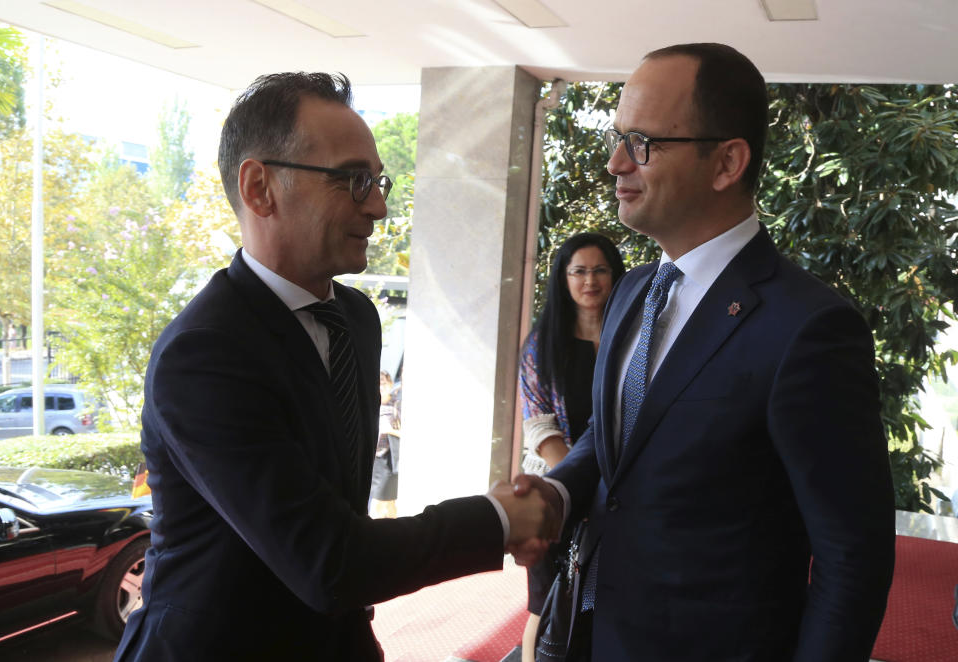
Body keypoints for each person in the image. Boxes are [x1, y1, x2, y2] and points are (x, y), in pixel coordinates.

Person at [114, 72, 558, 662]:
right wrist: (497, 520)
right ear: (260, 188)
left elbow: (342, 510)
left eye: (378, 181)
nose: (377, 205)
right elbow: (328, 559)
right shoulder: (204, 353)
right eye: (353, 180)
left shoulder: (355, 317)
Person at [513, 43, 896, 661]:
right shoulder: (634, 288)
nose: (615, 163)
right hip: (600, 632)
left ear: (726, 162)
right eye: (617, 138)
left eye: (641, 143)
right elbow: (619, 440)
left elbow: (853, 556)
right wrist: (557, 494)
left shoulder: (809, 326)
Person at [517, 232, 624, 660]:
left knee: (609, 600)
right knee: (546, 605)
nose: (590, 280)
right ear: (563, 278)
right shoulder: (543, 345)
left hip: (623, 491)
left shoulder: (633, 338)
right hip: (559, 491)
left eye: (600, 270)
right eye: (579, 271)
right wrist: (576, 490)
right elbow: (540, 427)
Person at [370, 370, 400, 518]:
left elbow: (406, 431)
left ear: (390, 384)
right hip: (373, 460)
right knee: (377, 503)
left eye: (384, 382)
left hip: (388, 459)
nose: (381, 386)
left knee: (388, 503)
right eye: (379, 382)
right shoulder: (371, 403)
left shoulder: (396, 405)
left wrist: (389, 430)